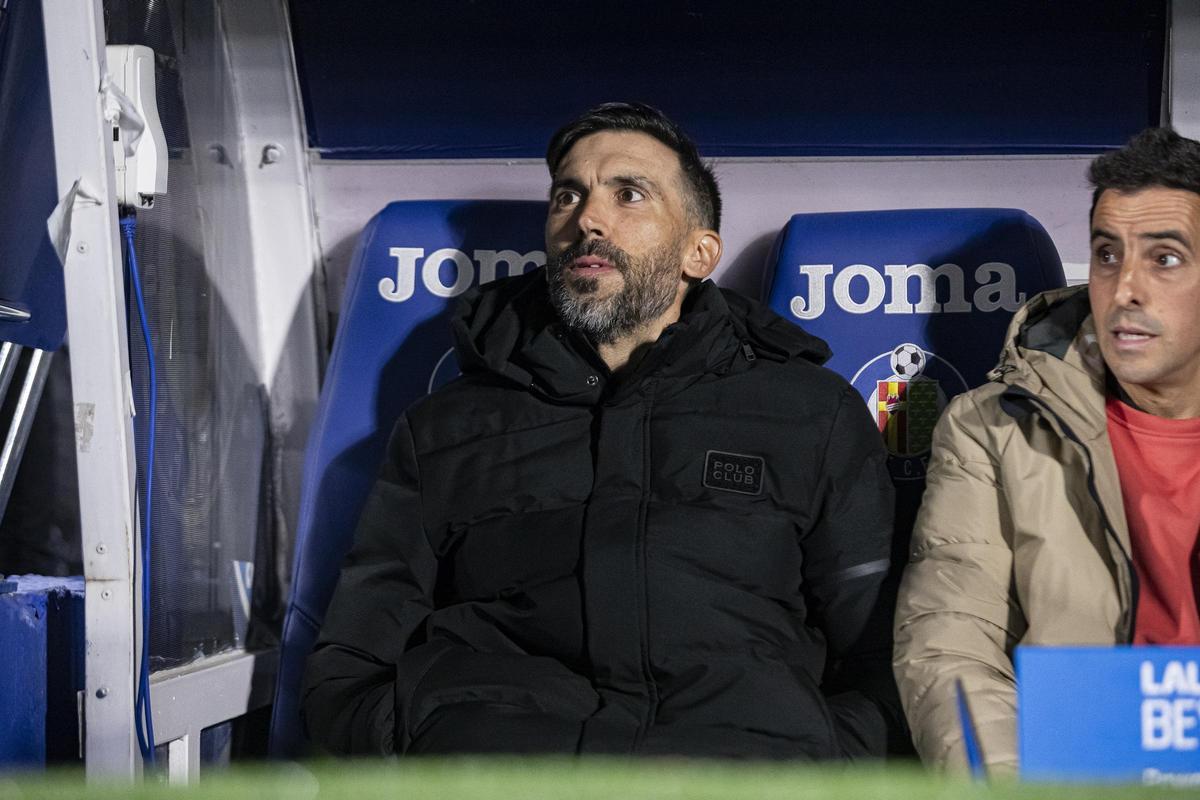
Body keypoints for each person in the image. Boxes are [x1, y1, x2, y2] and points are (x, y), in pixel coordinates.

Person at [303, 102, 905, 758]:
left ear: (699, 253)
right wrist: (429, 739)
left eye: (629, 194)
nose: (587, 218)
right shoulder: (446, 428)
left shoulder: (811, 416)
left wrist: (814, 757)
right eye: (568, 195)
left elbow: (886, 655)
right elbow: (349, 663)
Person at [893, 127, 1200, 774]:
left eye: (1165, 258)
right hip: (1075, 774)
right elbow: (951, 648)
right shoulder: (992, 427)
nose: (1125, 290)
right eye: (1108, 255)